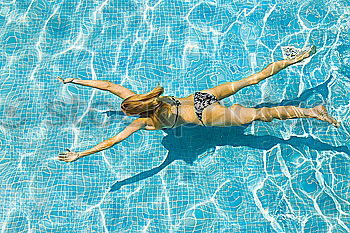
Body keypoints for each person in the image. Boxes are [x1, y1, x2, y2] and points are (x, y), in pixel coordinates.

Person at [58, 45, 339, 162]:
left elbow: (111, 142)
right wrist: (75, 80)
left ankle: (313, 112)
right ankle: (294, 58)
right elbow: (108, 86)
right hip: (200, 97)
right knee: (252, 79)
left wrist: (80, 154)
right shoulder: (143, 97)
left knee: (262, 115)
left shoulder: (143, 120)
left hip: (209, 116)